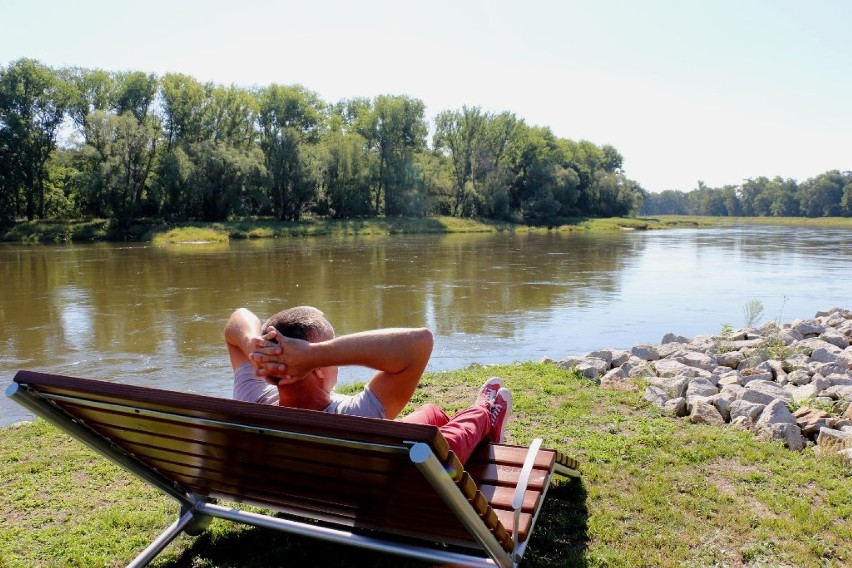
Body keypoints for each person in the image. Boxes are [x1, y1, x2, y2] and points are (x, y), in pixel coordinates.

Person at [224, 306, 511, 464]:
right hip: (393, 491)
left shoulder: (254, 396)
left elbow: (238, 318)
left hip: (302, 488)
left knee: (432, 413)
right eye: (332, 346)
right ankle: (485, 413)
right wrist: (314, 355)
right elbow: (419, 342)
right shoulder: (358, 414)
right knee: (454, 431)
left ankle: (475, 421)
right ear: (319, 368)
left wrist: (254, 346)